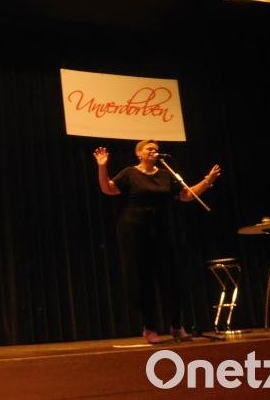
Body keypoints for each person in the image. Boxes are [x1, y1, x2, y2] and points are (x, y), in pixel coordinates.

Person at [94, 140, 221, 344]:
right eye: (149, 149)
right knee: (143, 279)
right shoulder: (129, 173)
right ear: (139, 153)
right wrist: (102, 166)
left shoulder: (166, 173)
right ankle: (150, 328)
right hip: (134, 230)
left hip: (161, 229)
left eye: (156, 149)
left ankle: (177, 326)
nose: (154, 151)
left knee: (170, 278)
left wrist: (207, 181)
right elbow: (108, 189)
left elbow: (186, 195)